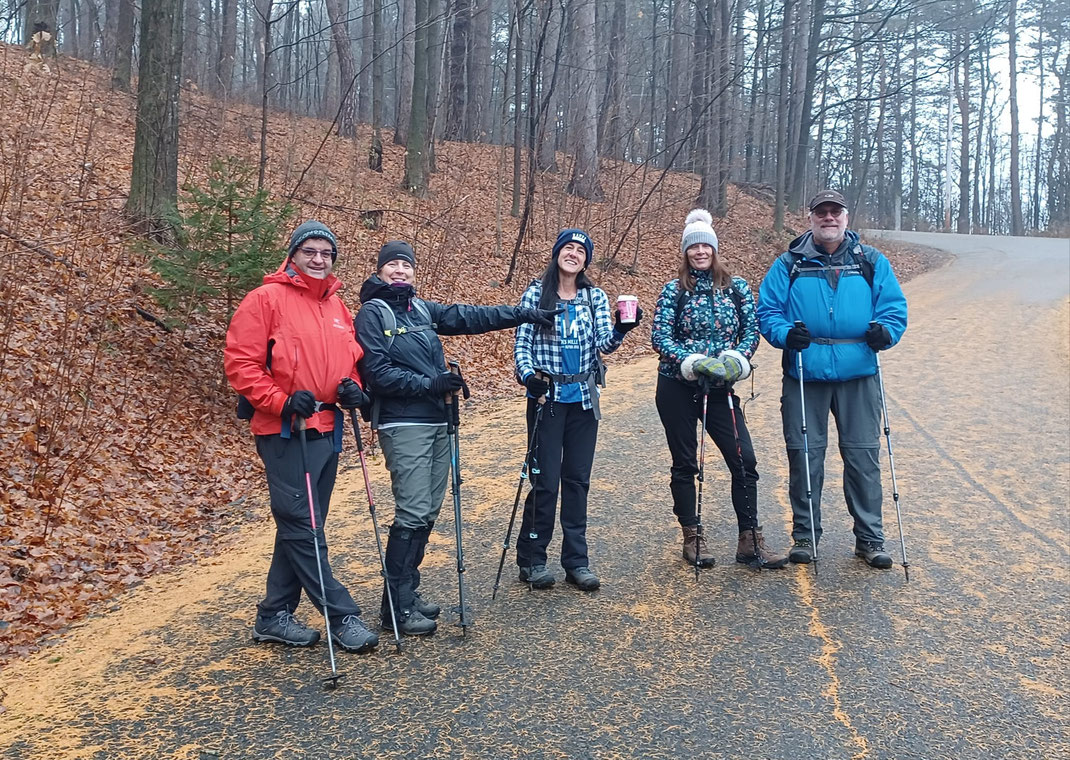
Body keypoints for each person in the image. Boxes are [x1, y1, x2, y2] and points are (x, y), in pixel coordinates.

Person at [356, 240, 559, 635]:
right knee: (412, 511)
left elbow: (471, 317)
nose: (400, 271)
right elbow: (376, 374)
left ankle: (407, 594)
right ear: (379, 271)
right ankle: (394, 608)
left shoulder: (420, 309)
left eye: (406, 265)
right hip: (403, 423)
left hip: (436, 421)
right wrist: (432, 382)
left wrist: (523, 314)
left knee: (428, 510)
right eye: (392, 265)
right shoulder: (372, 313)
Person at [224, 220, 380, 654]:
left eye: (326, 253)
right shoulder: (265, 300)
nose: (318, 259)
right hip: (285, 430)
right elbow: (240, 365)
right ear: (292, 254)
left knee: (303, 526)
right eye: (310, 251)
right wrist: (280, 400)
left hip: (328, 432)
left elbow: (349, 358)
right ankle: (342, 615)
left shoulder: (336, 306)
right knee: (301, 524)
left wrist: (352, 386)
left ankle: (273, 615)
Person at [757, 190, 908, 569]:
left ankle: (870, 539)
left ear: (845, 218)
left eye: (835, 212)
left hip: (859, 372)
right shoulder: (789, 263)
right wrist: (785, 335)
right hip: (805, 370)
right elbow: (769, 310)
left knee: (863, 456)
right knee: (805, 455)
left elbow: (894, 308)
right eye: (821, 212)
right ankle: (806, 536)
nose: (828, 218)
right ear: (810, 219)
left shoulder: (871, 261)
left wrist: (885, 333)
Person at [651, 209, 787, 569]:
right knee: (684, 462)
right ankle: (692, 535)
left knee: (744, 460)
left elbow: (751, 330)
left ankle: (749, 539)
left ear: (714, 249)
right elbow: (660, 336)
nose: (700, 252)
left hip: (722, 386)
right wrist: (693, 360)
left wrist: (734, 359)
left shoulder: (736, 287)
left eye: (705, 246)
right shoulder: (674, 290)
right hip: (677, 386)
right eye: (693, 247)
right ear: (685, 252)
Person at [513, 229, 643, 592]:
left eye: (580, 251)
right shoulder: (537, 294)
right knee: (546, 481)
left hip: (583, 400)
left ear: (586, 260)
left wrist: (622, 327)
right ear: (556, 254)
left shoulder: (594, 296)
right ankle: (533, 558)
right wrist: (529, 378)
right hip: (546, 399)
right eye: (567, 248)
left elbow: (604, 344)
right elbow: (522, 343)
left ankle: (576, 561)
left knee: (577, 481)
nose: (573, 254)